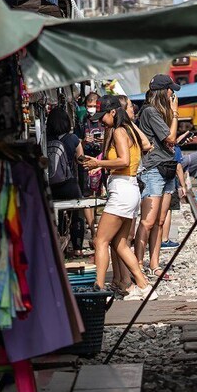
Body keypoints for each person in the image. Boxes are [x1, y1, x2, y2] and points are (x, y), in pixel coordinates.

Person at [81, 95, 157, 300]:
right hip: (129, 189)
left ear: (113, 112)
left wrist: (98, 164)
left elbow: (123, 160)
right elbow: (146, 145)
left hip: (122, 190)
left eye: (102, 116)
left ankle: (99, 289)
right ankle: (142, 286)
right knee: (120, 244)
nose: (99, 120)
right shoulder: (129, 129)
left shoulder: (119, 131)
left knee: (100, 240)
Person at [135, 74, 180, 280]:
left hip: (167, 167)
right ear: (164, 92)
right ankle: (137, 264)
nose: (173, 93)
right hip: (154, 169)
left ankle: (154, 264)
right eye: (171, 90)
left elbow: (169, 142)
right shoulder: (151, 111)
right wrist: (175, 113)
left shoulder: (159, 112)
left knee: (160, 221)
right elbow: (170, 138)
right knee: (148, 221)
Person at [46, 108, 86, 256]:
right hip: (68, 185)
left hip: (50, 187)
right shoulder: (73, 138)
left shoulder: (45, 139)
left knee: (53, 214)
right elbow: (81, 159)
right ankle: (78, 248)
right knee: (77, 213)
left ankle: (54, 246)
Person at [79, 92, 104, 242]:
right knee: (88, 195)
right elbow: (78, 143)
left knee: (100, 194)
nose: (92, 109)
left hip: (102, 161)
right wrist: (84, 141)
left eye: (94, 106)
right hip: (87, 161)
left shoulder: (104, 120)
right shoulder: (82, 122)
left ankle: (100, 228)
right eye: (89, 106)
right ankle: (93, 229)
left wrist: (104, 140)